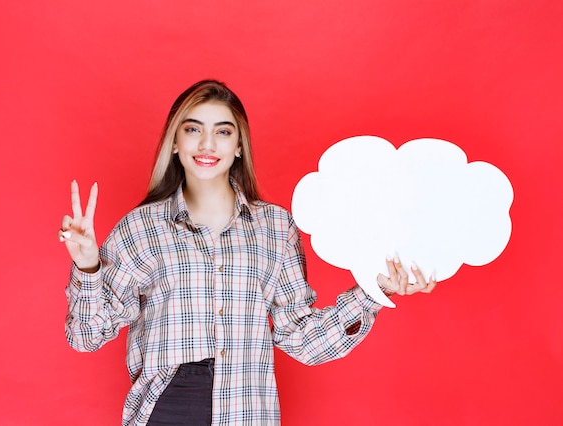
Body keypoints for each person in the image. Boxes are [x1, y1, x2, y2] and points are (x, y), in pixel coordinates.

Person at [59, 80, 437, 426]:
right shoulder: (141, 229)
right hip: (165, 411)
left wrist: (374, 291)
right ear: (175, 142)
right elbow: (85, 336)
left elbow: (302, 337)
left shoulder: (275, 228)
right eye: (193, 129)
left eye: (223, 132)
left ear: (239, 146)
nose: (207, 145)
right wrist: (87, 264)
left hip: (246, 412)